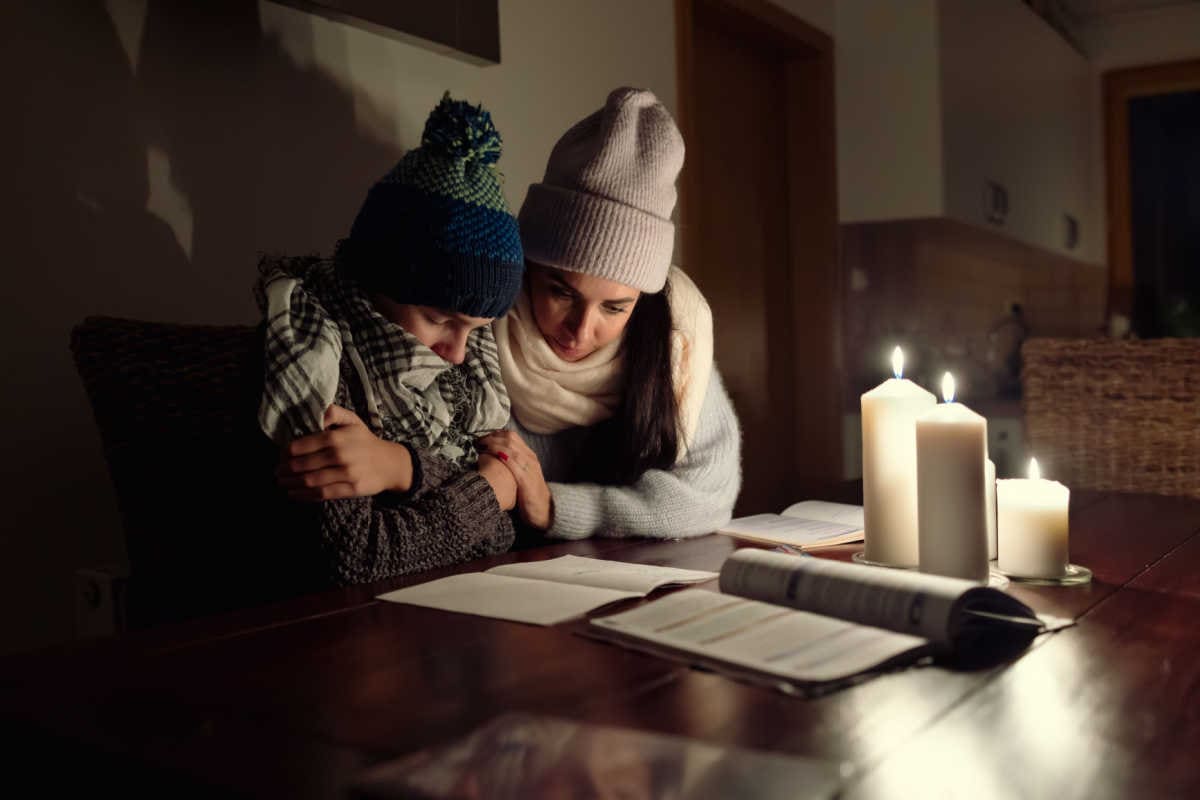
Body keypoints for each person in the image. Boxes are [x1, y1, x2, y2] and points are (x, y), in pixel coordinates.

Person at [255, 92, 523, 585]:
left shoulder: (464, 376)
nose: (457, 353)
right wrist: (489, 489)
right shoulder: (312, 353)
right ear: (377, 282)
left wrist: (402, 467)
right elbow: (360, 557)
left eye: (476, 330)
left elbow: (503, 537)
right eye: (438, 319)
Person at [481, 87, 741, 540]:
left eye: (614, 307)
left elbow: (708, 498)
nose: (581, 330)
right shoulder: (477, 323)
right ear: (528, 270)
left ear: (641, 300)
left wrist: (559, 507)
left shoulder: (675, 339)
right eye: (561, 291)